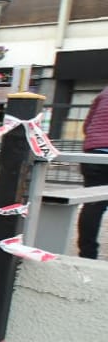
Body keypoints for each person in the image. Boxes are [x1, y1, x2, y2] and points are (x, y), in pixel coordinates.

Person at [78, 85, 108, 260]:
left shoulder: (104, 92)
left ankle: (88, 254)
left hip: (94, 153)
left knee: (92, 206)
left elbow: (87, 125)